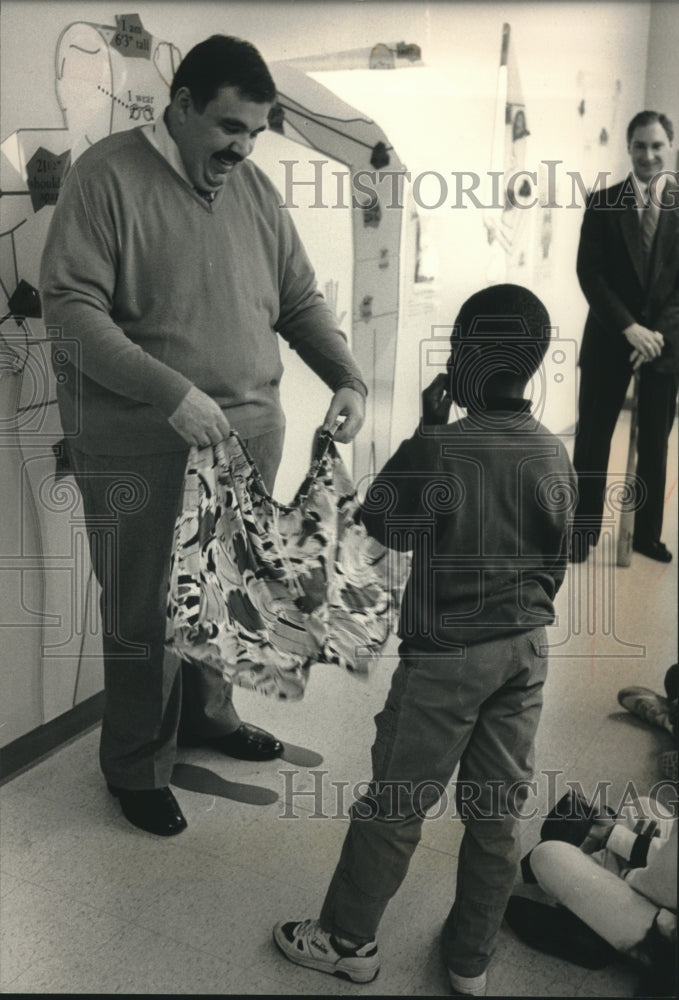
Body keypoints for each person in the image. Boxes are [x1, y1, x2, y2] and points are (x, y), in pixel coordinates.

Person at [39, 35, 367, 837]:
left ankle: (208, 720)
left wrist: (347, 377)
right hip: (141, 445)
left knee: (226, 597)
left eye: (255, 131)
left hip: (246, 437)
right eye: (228, 126)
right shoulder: (106, 178)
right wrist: (170, 391)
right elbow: (69, 313)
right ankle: (136, 765)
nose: (241, 147)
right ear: (180, 106)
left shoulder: (252, 190)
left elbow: (296, 299)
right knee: (145, 611)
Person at [273, 284, 576, 996]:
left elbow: (380, 523)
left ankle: (347, 942)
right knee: (497, 811)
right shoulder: (551, 453)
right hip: (526, 653)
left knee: (397, 802)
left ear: (463, 356)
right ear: (532, 363)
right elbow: (555, 560)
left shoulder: (441, 448)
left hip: (446, 660)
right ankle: (470, 957)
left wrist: (422, 430)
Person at [570, 110, 679, 564]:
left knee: (654, 443)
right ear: (628, 147)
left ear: (669, 146)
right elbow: (590, 275)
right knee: (593, 439)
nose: (648, 155)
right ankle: (581, 533)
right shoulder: (602, 203)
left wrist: (656, 335)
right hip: (610, 339)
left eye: (657, 145)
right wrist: (629, 329)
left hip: (664, 346)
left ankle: (645, 535)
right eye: (640, 146)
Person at [506, 789, 677, 998]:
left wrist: (624, 866)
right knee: (643, 807)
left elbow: (661, 887)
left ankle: (596, 930)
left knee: (547, 856)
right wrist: (614, 835)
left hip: (665, 939)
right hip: (668, 896)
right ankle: (596, 867)